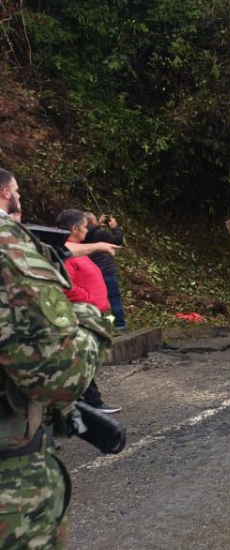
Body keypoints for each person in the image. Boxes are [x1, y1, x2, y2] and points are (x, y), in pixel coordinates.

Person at [0, 168, 113, 549]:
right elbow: (58, 373)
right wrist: (93, 324)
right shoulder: (7, 249)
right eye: (16, 190)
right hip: (12, 491)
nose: (19, 196)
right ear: (4, 193)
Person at [58, 209, 122, 414]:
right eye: (85, 226)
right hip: (82, 313)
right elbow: (66, 286)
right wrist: (88, 299)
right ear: (74, 229)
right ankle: (91, 403)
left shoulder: (79, 249)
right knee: (83, 360)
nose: (88, 230)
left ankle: (88, 402)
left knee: (88, 359)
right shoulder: (67, 254)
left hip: (94, 311)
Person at [82, 212, 128, 331]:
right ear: (92, 222)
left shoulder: (79, 235)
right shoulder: (100, 233)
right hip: (107, 271)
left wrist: (97, 225)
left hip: (91, 272)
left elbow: (91, 231)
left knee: (95, 300)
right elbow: (117, 240)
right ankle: (120, 325)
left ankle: (98, 326)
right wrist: (114, 228)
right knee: (114, 298)